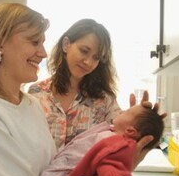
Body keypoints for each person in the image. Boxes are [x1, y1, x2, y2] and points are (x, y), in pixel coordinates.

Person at [0, 3, 159, 176]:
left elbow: (49, 171)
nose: (43, 53)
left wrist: (143, 122)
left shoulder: (31, 105)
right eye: (35, 41)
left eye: (96, 57)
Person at [28, 18, 122, 148]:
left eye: (96, 58)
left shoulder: (104, 100)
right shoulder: (36, 93)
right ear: (66, 44)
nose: (88, 62)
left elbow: (122, 142)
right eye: (84, 51)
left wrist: (140, 118)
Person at [40, 104, 164, 176]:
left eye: (126, 112)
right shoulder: (112, 132)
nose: (121, 111)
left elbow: (111, 167)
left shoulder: (118, 146)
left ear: (130, 131)